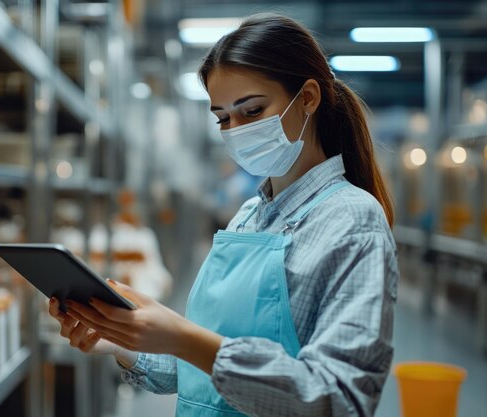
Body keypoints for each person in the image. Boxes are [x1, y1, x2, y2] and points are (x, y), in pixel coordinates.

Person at [49, 13, 398, 417]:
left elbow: (340, 400)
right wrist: (121, 339)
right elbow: (199, 374)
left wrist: (185, 338)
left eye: (251, 112)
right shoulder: (249, 218)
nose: (235, 131)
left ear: (307, 98)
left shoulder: (352, 221)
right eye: (223, 118)